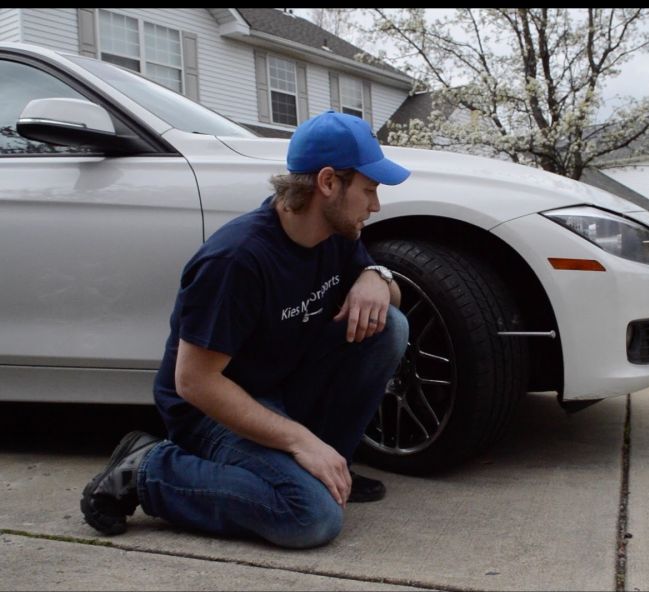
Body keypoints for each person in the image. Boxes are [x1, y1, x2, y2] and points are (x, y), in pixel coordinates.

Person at [80, 110, 411, 549]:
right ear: (328, 183)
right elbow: (194, 382)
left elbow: (392, 300)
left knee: (389, 324)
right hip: (210, 411)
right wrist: (298, 439)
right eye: (369, 190)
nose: (375, 205)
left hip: (279, 386)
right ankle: (148, 470)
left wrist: (378, 277)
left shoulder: (336, 235)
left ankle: (331, 465)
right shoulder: (236, 261)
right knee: (309, 517)